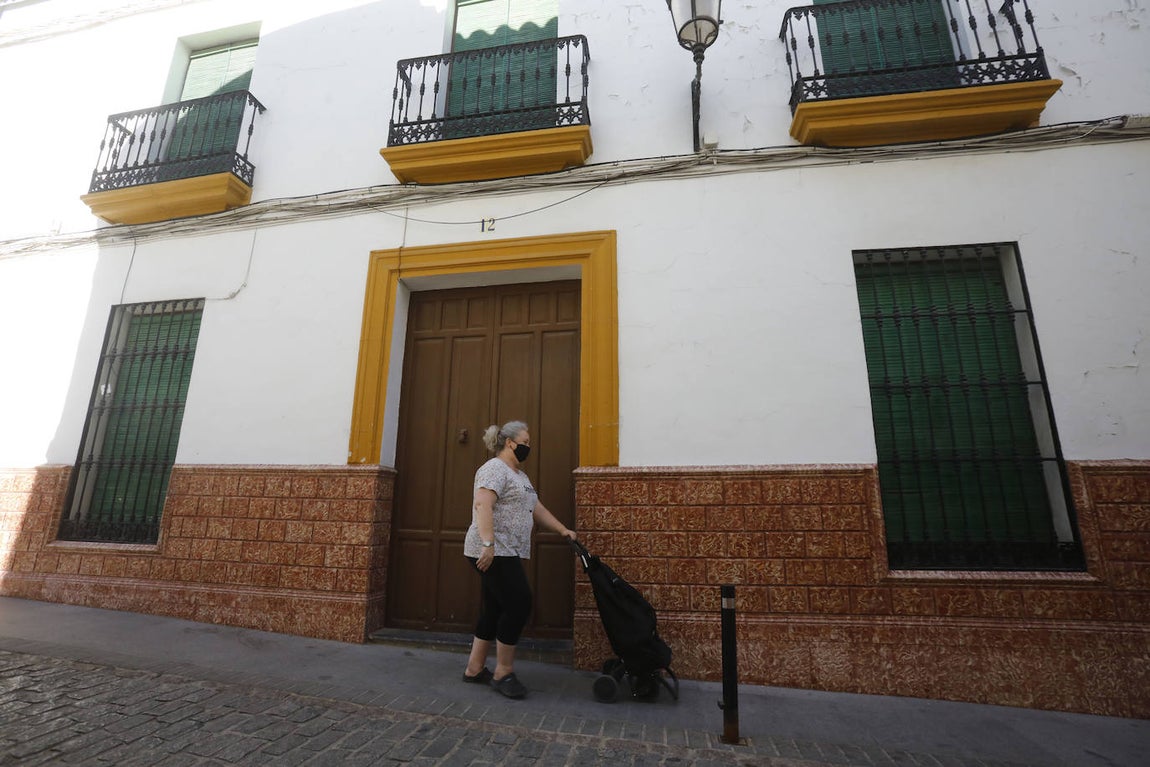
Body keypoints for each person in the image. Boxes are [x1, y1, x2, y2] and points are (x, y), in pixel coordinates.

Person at [461, 420, 576, 699]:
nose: (528, 446)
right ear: (510, 443)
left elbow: (536, 508)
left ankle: (474, 669)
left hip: (507, 549)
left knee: (494, 608)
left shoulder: (520, 476)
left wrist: (562, 529)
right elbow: (483, 504)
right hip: (493, 549)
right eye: (525, 441)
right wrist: (488, 544)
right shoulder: (494, 468)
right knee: (519, 603)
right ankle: (503, 672)